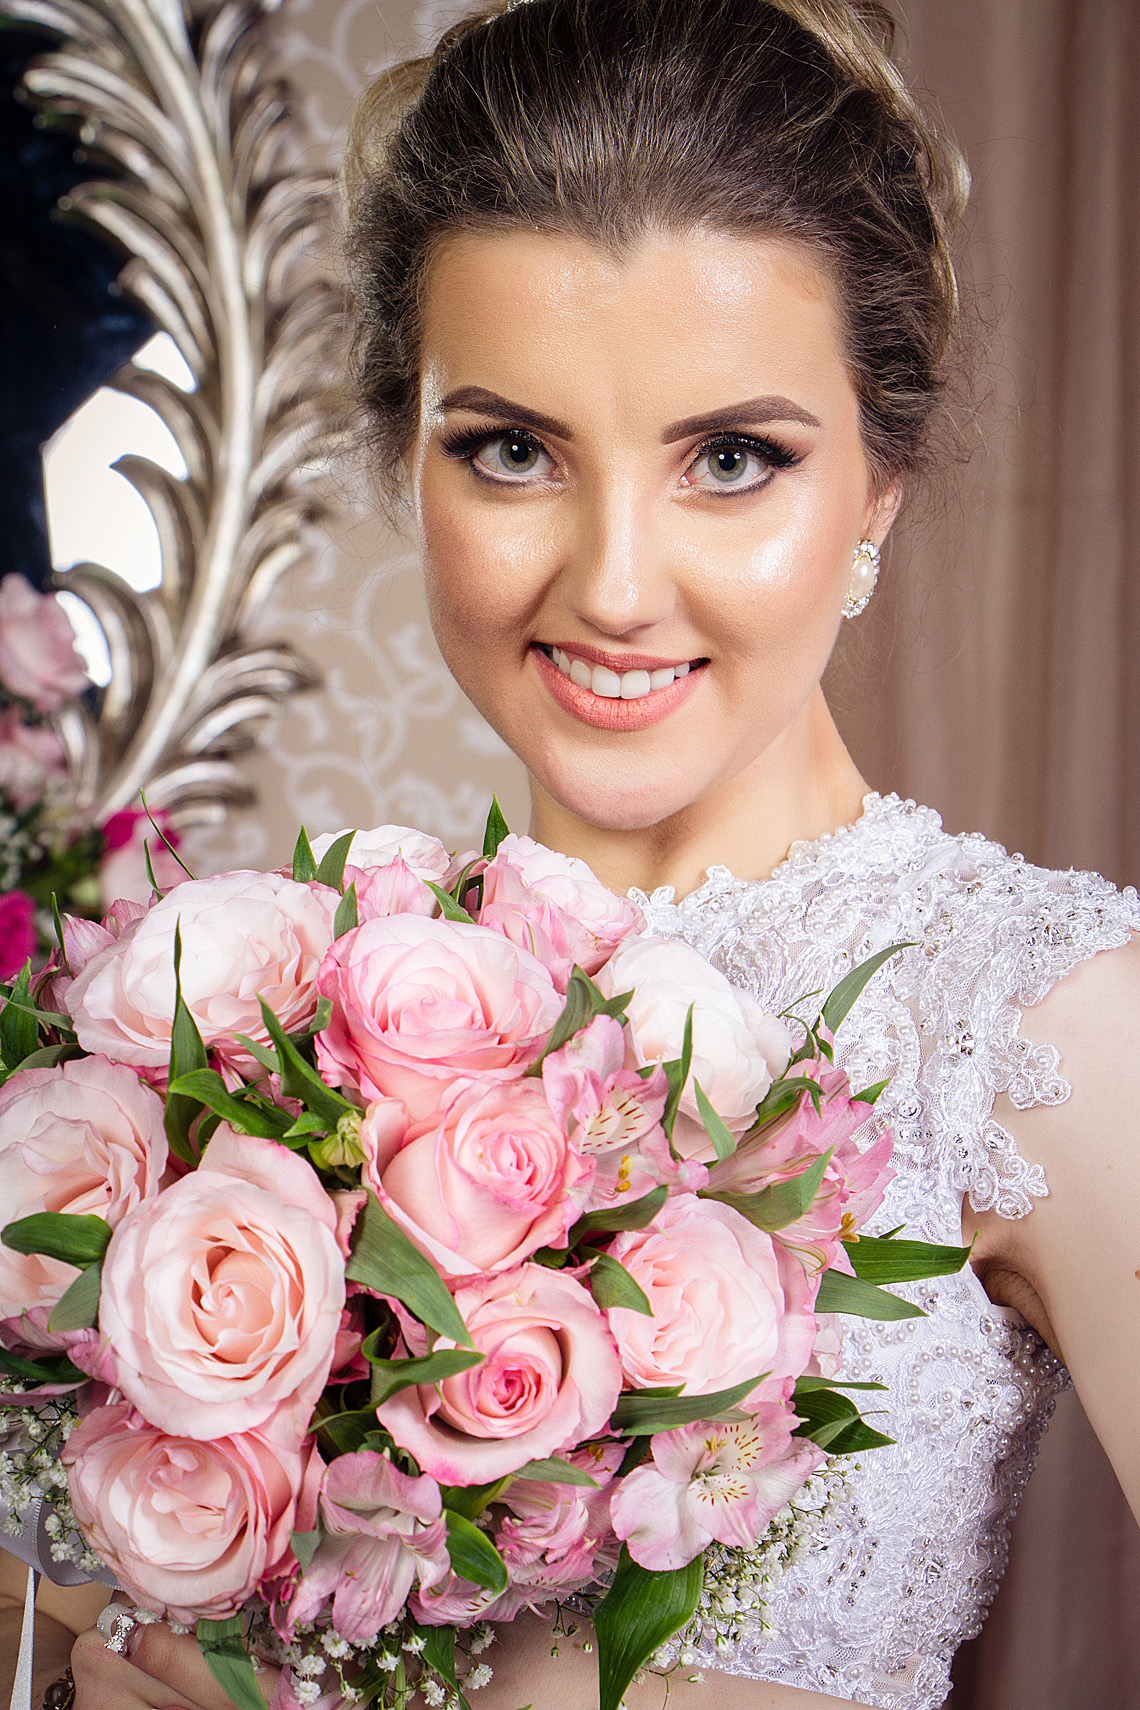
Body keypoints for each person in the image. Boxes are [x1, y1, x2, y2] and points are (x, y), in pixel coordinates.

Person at [43, 0, 1140, 1705]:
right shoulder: (281, 1010)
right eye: (513, 449)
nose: (618, 583)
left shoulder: (1039, 1027)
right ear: (410, 464)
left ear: (880, 489)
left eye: (731, 459)